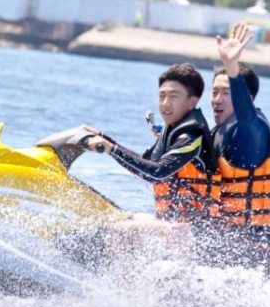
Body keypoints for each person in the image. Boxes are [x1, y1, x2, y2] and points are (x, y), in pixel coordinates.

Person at [81, 63, 217, 266]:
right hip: (175, 228)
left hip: (194, 234)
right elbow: (143, 165)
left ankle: (126, 286)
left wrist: (111, 148)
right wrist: (105, 139)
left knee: (119, 231)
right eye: (162, 96)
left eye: (174, 96)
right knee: (121, 219)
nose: (165, 103)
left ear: (192, 101)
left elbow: (156, 173)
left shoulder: (192, 135)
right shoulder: (173, 129)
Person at [192, 23, 270, 269]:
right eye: (214, 92)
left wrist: (232, 67)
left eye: (226, 93)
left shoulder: (252, 131)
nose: (217, 99)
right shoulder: (218, 133)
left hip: (252, 252)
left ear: (247, 99)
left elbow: (247, 115)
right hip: (224, 243)